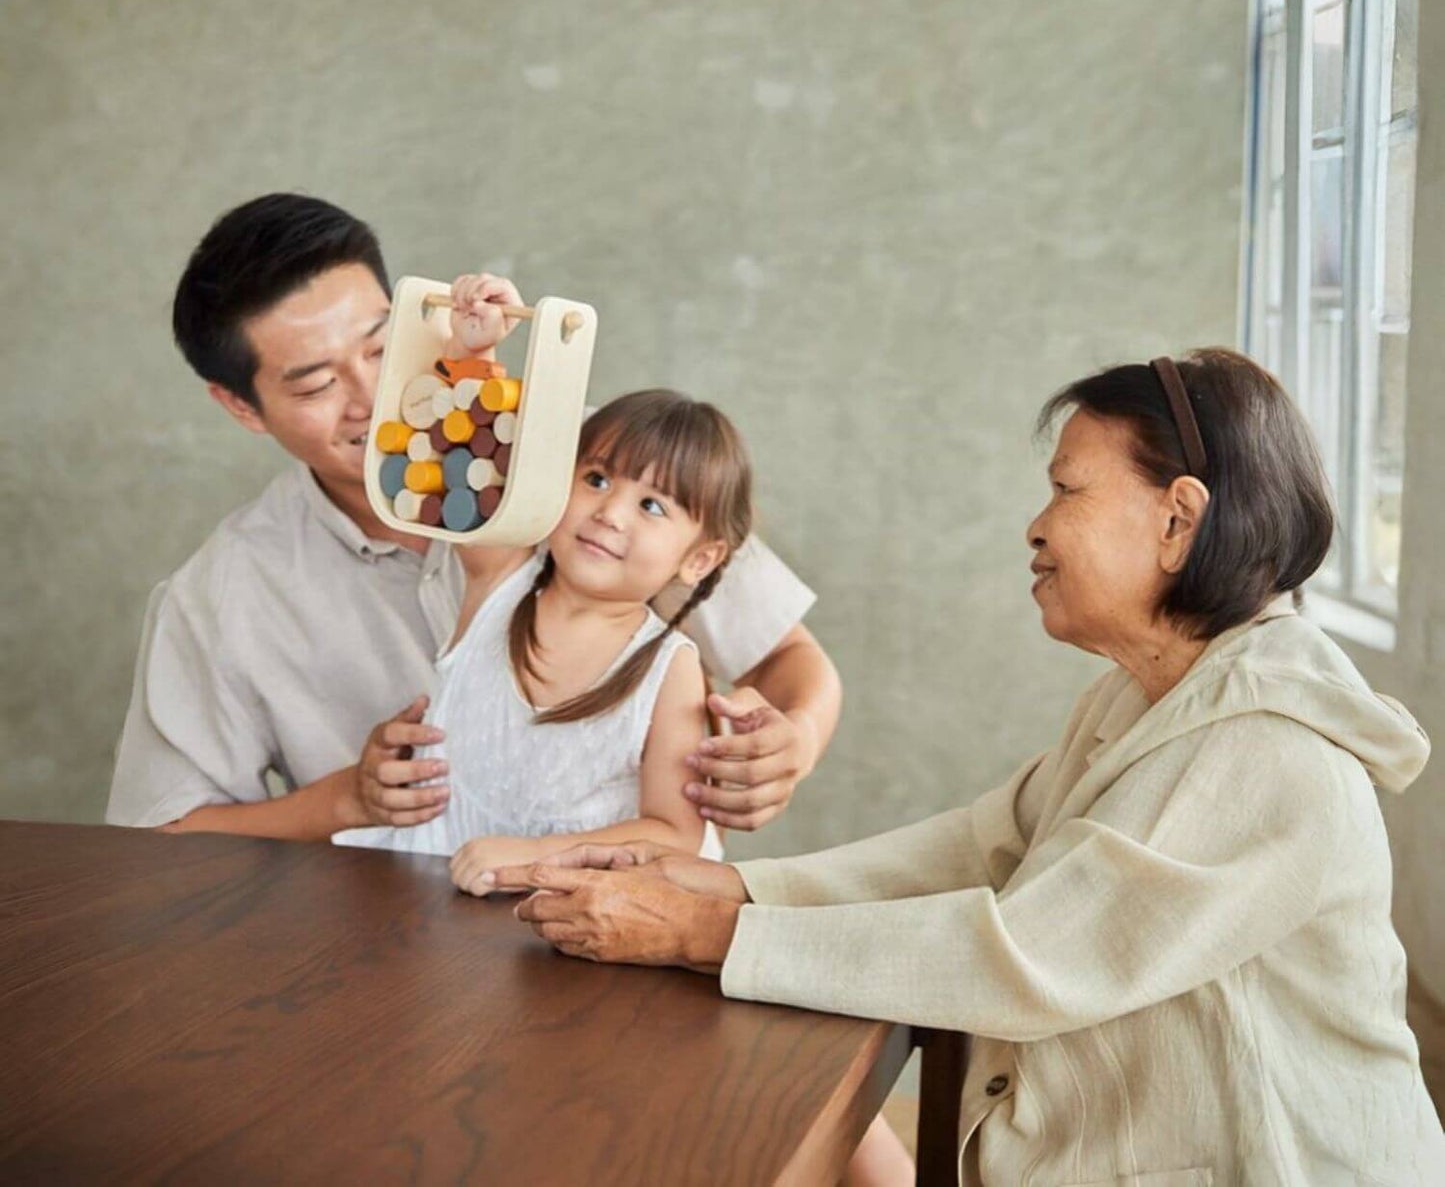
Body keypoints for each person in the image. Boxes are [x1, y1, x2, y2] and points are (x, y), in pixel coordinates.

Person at [490, 349, 1445, 1185]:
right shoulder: (1146, 695)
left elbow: (1033, 953)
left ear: (1176, 520)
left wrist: (711, 931)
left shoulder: (1265, 743)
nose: (1035, 526)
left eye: (1066, 491)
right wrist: (736, 884)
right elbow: (983, 847)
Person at [105, 194, 841, 839]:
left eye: (382, 345)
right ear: (240, 405)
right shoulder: (223, 592)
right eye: (318, 383)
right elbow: (163, 835)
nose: (370, 395)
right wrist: (344, 802)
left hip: (617, 923)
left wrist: (791, 743)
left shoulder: (596, 466)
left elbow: (788, 660)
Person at [337, 388, 751, 872]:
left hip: (554, 925)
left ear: (699, 559)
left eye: (652, 506)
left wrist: (535, 858)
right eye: (595, 479)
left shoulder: (669, 667)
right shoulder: (497, 578)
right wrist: (472, 346)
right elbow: (464, 444)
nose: (609, 514)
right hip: (419, 893)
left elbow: (674, 831)